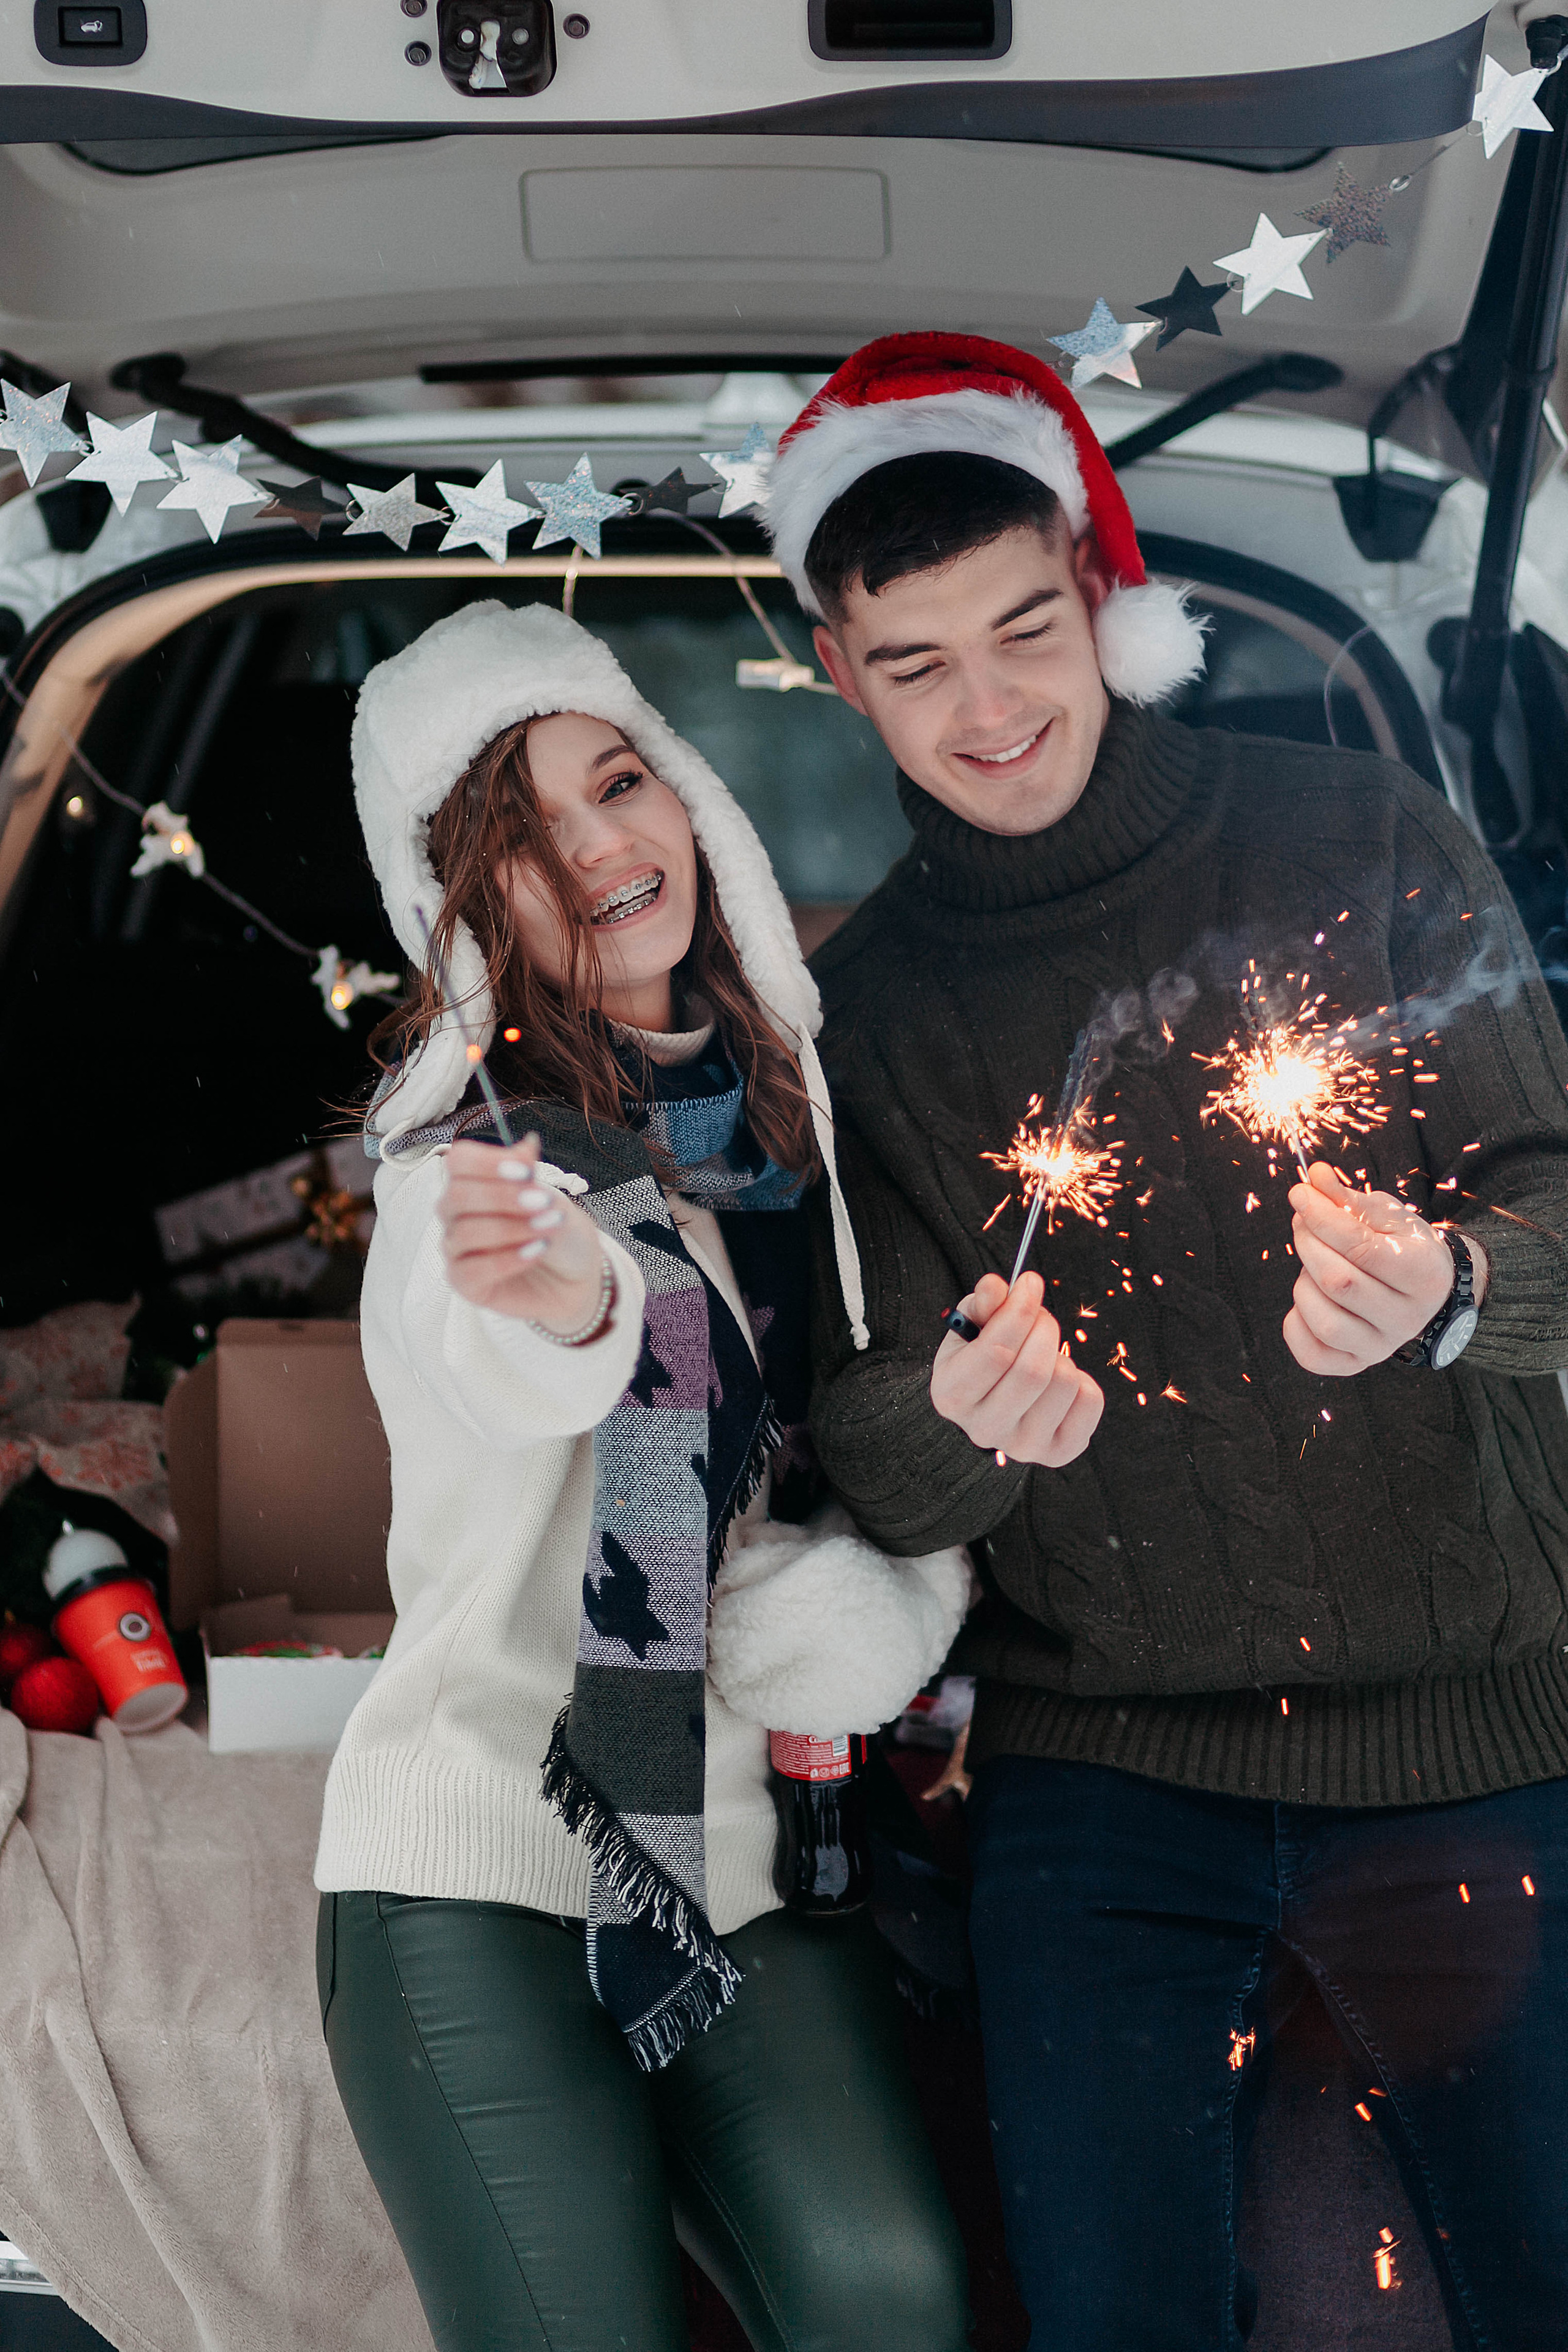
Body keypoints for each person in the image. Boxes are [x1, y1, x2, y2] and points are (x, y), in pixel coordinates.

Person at [775, 334, 1568, 2350]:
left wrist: (1466, 1287)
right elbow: (860, 1444)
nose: (986, 706)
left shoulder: (1362, 836)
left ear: (1099, 590)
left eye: (1022, 628)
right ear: (838, 667)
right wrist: (956, 1428)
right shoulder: (860, 1019)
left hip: (1477, 1743)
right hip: (1103, 1787)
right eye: (915, 661)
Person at [312, 601, 971, 2352]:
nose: (601, 844)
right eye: (523, 838)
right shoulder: (464, 1161)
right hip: (473, 1871)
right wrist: (553, 1295)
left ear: (693, 799)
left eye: (621, 780)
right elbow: (500, 1350)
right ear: (463, 909)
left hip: (745, 1854)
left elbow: (805, 1481)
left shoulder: (786, 1135)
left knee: (893, 2293)